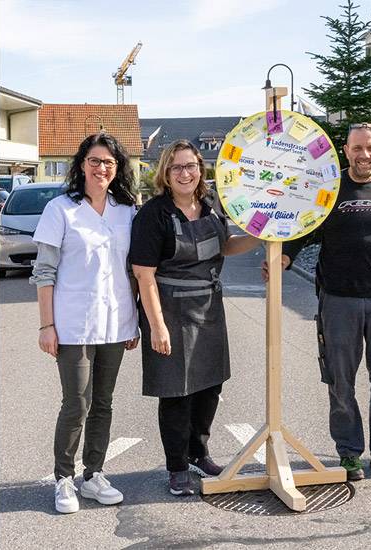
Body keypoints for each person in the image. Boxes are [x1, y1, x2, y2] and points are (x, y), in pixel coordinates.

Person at [277, 123, 371, 481]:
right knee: (341, 380)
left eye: (370, 148)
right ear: (345, 150)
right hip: (338, 298)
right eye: (356, 148)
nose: (363, 154)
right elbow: (305, 226)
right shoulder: (329, 186)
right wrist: (285, 256)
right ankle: (350, 453)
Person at [131, 140, 261, 496]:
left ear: (200, 169)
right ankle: (176, 467)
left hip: (209, 308)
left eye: (190, 166)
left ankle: (198, 452)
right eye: (176, 168)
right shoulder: (153, 215)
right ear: (166, 174)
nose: (185, 173)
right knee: (177, 393)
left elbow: (224, 246)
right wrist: (156, 325)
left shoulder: (210, 209)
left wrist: (259, 236)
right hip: (170, 310)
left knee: (209, 387)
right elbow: (143, 274)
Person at [31, 133, 140, 514]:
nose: (101, 168)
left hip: (117, 321)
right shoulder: (60, 209)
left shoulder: (126, 210)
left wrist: (136, 321)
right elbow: (44, 272)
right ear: (81, 165)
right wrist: (47, 326)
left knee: (104, 403)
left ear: (117, 168)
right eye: (94, 161)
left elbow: (133, 270)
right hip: (72, 323)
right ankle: (64, 478)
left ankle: (94, 475)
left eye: (108, 162)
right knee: (76, 402)